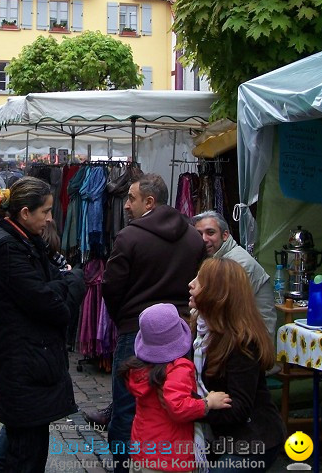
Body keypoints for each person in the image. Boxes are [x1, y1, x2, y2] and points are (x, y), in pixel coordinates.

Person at [0, 178, 86, 472]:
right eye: (46, 212)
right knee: (26, 453)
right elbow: (48, 303)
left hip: (32, 359)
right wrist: (73, 280)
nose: (50, 219)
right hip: (23, 361)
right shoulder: (10, 249)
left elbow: (49, 288)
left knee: (24, 442)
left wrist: (60, 282)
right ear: (25, 213)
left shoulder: (25, 241)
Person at [102, 173, 208, 470]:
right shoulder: (192, 237)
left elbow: (111, 287)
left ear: (149, 201)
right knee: (173, 400)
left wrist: (123, 318)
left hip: (138, 329)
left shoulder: (129, 236)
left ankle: (125, 466)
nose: (125, 205)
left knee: (127, 404)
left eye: (131, 198)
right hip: (179, 331)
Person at [189, 258, 286, 470]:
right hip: (216, 435)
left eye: (200, 280)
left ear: (217, 293)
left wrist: (195, 408)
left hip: (252, 440)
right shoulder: (201, 331)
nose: (191, 284)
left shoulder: (243, 343)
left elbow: (239, 410)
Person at [122, 303, 230, 472]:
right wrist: (208, 403)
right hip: (171, 458)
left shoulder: (140, 371)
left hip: (143, 454)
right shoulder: (178, 369)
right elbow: (178, 407)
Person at [192, 211, 276, 337]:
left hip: (253, 339)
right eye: (199, 234)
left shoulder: (239, 263)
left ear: (225, 235)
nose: (204, 239)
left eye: (210, 233)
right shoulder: (215, 258)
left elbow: (221, 308)